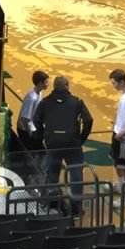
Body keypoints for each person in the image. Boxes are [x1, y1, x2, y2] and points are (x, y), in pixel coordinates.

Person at [40, 75, 94, 218]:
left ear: (54, 87)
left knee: (52, 175)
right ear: (67, 86)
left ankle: (52, 205)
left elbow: (35, 121)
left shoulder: (45, 102)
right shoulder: (76, 102)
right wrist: (81, 138)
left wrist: (44, 138)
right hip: (72, 145)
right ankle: (76, 210)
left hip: (53, 145)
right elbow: (88, 120)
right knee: (76, 176)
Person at [16, 70, 49, 151]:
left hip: (32, 127)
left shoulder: (39, 93)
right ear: (40, 83)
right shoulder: (31, 98)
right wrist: (30, 134)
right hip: (25, 130)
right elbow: (23, 119)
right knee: (32, 151)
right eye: (46, 82)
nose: (48, 84)